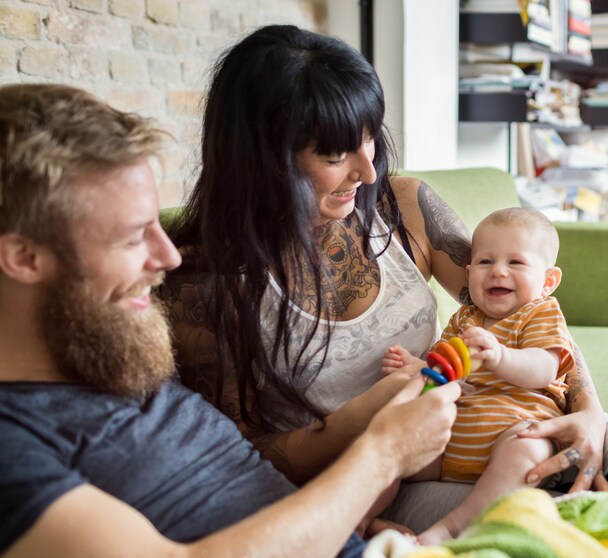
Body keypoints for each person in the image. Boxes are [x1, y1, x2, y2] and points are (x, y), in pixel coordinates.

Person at [162, 24, 608, 557]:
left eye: (370, 137)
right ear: (261, 156)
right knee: (590, 522)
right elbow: (265, 461)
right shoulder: (203, 286)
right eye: (332, 153)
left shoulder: (402, 206)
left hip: (505, 416)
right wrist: (385, 420)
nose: (366, 166)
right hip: (394, 478)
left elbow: (529, 305)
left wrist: (590, 412)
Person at [0, 82, 460, 558]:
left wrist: (346, 505)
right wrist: (382, 454)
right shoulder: (15, 441)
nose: (168, 257)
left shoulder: (113, 348)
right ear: (25, 257)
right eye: (134, 237)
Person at [380, 207, 575, 542]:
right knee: (396, 440)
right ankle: (364, 517)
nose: (498, 271)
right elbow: (443, 368)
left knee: (526, 449)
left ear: (548, 281)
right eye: (486, 262)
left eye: (515, 262)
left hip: (515, 432)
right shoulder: (463, 318)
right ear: (469, 271)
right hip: (451, 442)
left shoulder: (539, 313)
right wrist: (419, 368)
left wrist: (501, 356)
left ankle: (450, 531)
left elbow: (545, 369)